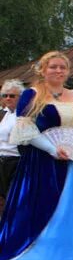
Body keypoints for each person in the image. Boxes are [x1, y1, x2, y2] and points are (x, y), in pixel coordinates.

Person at [0, 51, 73, 260]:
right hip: (42, 164)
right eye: (53, 67)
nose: (58, 71)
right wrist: (51, 149)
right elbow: (26, 131)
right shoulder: (32, 94)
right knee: (39, 210)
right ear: (43, 70)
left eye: (62, 68)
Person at [0, 79, 25, 210]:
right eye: (5, 95)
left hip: (16, 162)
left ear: (20, 97)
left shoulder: (23, 115)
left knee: (13, 200)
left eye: (12, 95)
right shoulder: (6, 115)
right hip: (2, 162)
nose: (8, 98)